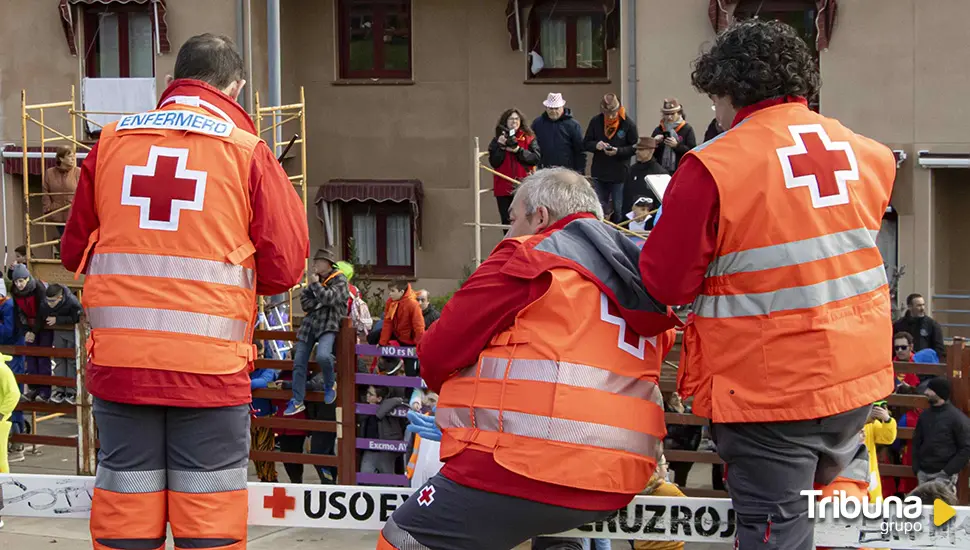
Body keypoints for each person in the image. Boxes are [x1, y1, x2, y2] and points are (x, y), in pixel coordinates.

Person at [640, 20, 897, 550]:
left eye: (714, 99)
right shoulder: (867, 155)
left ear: (730, 90)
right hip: (855, 379)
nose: (715, 111)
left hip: (770, 390)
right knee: (839, 528)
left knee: (775, 536)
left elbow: (666, 279)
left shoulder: (714, 166)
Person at [60, 33, 308, 549]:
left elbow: (71, 252)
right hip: (210, 373)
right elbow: (286, 267)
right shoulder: (246, 152)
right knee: (209, 529)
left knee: (126, 523)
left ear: (172, 83)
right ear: (234, 89)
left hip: (122, 368)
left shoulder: (109, 143)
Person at [377, 167, 679, 550]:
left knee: (401, 537)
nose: (509, 232)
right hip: (618, 477)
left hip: (521, 466)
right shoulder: (643, 283)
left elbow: (437, 351)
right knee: (556, 535)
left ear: (540, 217)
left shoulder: (527, 259)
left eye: (513, 219)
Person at [287, 248, 350, 415]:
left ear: (327, 264)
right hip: (309, 325)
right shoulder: (315, 280)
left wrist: (316, 288)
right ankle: (297, 400)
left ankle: (330, 384)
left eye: (318, 262)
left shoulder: (340, 280)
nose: (314, 265)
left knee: (323, 355)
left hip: (329, 323)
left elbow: (331, 299)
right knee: (299, 361)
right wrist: (319, 299)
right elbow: (305, 302)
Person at [584, 94, 639, 223]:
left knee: (618, 208)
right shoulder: (596, 122)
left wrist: (618, 151)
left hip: (619, 173)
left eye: (613, 113)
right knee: (599, 206)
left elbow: (634, 147)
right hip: (600, 172)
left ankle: (617, 232)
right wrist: (596, 145)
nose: (610, 116)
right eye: (607, 113)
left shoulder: (628, 124)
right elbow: (586, 143)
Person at [912, 377, 970, 491]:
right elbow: (916, 442)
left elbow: (966, 447)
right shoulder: (924, 416)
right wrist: (917, 468)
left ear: (939, 393)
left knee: (943, 508)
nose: (926, 392)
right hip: (923, 473)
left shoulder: (957, 418)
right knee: (924, 507)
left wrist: (948, 471)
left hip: (944, 475)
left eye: (930, 389)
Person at [489, 108, 541, 226]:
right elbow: (494, 162)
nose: (514, 121)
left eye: (517, 119)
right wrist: (500, 147)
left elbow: (535, 158)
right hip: (503, 187)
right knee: (507, 222)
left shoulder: (529, 138)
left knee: (525, 222)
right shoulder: (497, 139)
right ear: (505, 121)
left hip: (523, 186)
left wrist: (518, 150)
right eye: (511, 119)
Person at [10, 264, 51, 403]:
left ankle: (45, 391)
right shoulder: (15, 292)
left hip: (43, 325)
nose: (19, 284)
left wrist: (34, 331)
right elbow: (18, 312)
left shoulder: (38, 288)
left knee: (43, 357)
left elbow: (42, 311)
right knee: (31, 358)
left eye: (21, 281)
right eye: (16, 281)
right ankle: (33, 389)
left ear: (27, 279)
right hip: (29, 326)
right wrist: (26, 330)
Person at [40, 284, 82, 404]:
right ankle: (59, 390)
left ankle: (72, 390)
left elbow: (77, 317)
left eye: (52, 301)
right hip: (58, 333)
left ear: (60, 297)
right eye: (48, 300)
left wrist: (57, 320)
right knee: (59, 359)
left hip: (70, 333)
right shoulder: (46, 301)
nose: (49, 303)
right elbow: (41, 313)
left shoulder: (72, 302)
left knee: (71, 361)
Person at [0, 284, 25, 464]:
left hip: (13, 355)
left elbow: (7, 332)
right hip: (11, 354)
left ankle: (17, 442)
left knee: (13, 394)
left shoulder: (7, 306)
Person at [378, 280, 425, 376]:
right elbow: (388, 322)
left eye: (392, 291)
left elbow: (419, 327)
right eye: (389, 291)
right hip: (397, 334)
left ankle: (409, 389)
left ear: (401, 292)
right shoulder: (390, 302)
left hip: (410, 340)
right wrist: (382, 342)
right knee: (373, 337)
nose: (390, 294)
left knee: (410, 373)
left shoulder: (413, 304)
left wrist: (418, 345)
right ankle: (394, 360)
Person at [359, 385, 407, 477]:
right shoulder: (363, 408)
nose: (367, 396)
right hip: (370, 450)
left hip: (385, 450)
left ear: (379, 398)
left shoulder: (388, 408)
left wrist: (379, 413)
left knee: (388, 481)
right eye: (367, 393)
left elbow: (399, 400)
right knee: (365, 477)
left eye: (371, 394)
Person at [532, 93, 586, 173]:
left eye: (556, 108)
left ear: (562, 108)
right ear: (546, 108)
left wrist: (580, 172)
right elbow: (532, 147)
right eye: (551, 108)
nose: (553, 111)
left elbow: (580, 151)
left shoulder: (573, 125)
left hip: (567, 171)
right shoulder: (537, 123)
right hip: (542, 170)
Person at [622, 137, 667, 218]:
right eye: (637, 149)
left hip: (649, 222)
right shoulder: (632, 170)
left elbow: (661, 202)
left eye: (641, 150)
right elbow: (626, 196)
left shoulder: (659, 173)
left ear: (651, 151)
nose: (637, 152)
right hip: (630, 219)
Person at [43, 145, 81, 240]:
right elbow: (45, 191)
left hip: (75, 216)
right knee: (66, 241)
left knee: (73, 242)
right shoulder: (50, 173)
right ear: (61, 158)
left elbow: (84, 193)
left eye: (73, 156)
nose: (73, 158)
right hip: (57, 215)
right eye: (70, 156)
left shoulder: (78, 172)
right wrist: (48, 209)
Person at [862, 401, 897, 501]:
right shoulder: (844, 420)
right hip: (849, 471)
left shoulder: (872, 424)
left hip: (868, 471)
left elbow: (887, 438)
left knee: (874, 504)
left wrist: (887, 419)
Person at [651, 99, 696, 173]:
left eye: (672, 114)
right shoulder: (659, 129)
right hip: (660, 171)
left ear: (679, 113)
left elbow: (692, 152)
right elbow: (649, 153)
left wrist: (677, 146)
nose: (669, 117)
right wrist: (654, 142)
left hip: (681, 170)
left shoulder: (687, 129)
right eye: (666, 114)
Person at [893, 293, 945, 358]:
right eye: (919, 305)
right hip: (903, 364)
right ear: (910, 307)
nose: (922, 308)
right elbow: (892, 347)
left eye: (923, 305)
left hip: (925, 365)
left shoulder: (932, 325)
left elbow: (939, 349)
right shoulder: (899, 325)